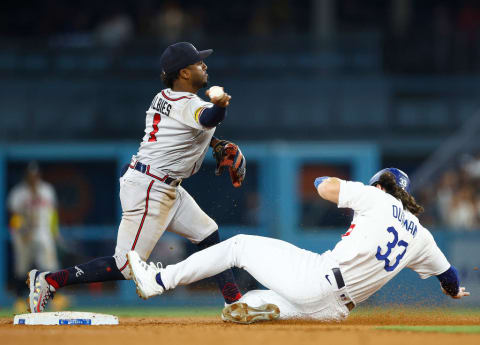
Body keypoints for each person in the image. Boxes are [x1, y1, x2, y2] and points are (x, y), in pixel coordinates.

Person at [27, 42, 246, 313]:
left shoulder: (167, 96)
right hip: (151, 188)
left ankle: (235, 303)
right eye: (198, 63)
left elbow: (189, 130)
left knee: (208, 234)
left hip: (163, 185)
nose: (205, 66)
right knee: (126, 266)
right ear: (184, 73)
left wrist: (216, 145)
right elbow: (208, 118)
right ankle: (49, 280)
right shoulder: (186, 103)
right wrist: (221, 105)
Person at [127, 168, 470, 324]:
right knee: (242, 306)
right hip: (334, 312)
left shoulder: (374, 197)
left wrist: (348, 188)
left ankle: (159, 281)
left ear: (381, 185)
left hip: (318, 278)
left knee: (239, 246)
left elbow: (323, 186)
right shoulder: (422, 236)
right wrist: (454, 293)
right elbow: (449, 278)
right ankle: (260, 308)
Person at [7, 162, 60, 312]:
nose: (33, 178)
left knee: (50, 265)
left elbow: (53, 214)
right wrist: (20, 232)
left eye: (35, 175)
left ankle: (55, 299)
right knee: (21, 266)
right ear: (26, 176)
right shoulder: (18, 193)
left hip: (43, 231)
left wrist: (54, 231)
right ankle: (18, 299)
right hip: (24, 233)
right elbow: (14, 216)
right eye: (30, 176)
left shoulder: (47, 190)